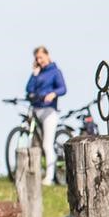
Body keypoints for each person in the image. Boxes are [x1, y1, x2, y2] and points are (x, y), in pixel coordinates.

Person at [25, 46, 67, 185]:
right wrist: (34, 74)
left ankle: (49, 177)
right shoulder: (38, 73)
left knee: (47, 144)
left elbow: (63, 88)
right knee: (34, 142)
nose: (39, 60)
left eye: (40, 57)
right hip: (36, 108)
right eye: (37, 58)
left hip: (49, 110)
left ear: (47, 55)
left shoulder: (55, 72)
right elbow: (29, 89)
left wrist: (53, 94)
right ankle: (31, 174)